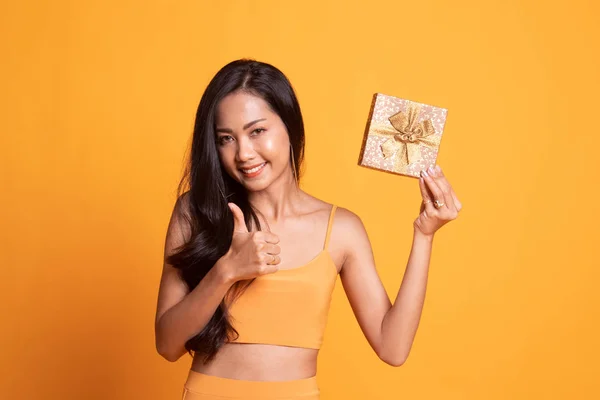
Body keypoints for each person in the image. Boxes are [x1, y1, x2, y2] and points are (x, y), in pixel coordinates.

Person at [154, 59, 462, 400]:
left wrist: (424, 235)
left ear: (289, 126)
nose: (243, 153)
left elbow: (393, 348)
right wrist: (226, 271)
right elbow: (168, 345)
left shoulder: (341, 229)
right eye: (226, 139)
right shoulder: (195, 212)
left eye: (257, 131)